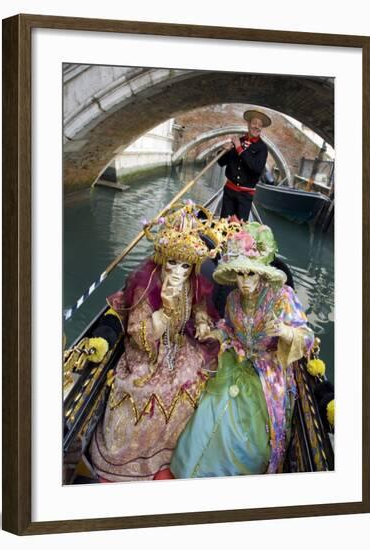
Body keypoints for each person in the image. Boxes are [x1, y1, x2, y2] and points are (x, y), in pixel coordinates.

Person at [87, 203, 223, 482]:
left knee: (197, 378)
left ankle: (175, 450)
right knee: (146, 392)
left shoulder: (192, 282)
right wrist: (165, 312)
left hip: (177, 346)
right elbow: (138, 334)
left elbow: (198, 306)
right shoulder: (145, 283)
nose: (178, 271)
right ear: (162, 258)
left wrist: (200, 322)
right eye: (172, 263)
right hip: (146, 355)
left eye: (185, 265)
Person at [170, 222, 314, 478]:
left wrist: (285, 331)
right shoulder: (233, 298)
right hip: (234, 360)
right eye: (240, 274)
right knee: (209, 406)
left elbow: (307, 337)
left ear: (262, 274)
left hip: (267, 374)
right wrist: (214, 332)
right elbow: (228, 328)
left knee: (247, 432)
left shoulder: (282, 296)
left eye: (251, 274)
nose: (244, 282)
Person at [218, 110, 271, 221]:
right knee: (223, 226)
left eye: (260, 125)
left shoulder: (262, 148)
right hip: (229, 192)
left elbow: (256, 169)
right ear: (248, 124)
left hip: (245, 196)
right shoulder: (239, 141)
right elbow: (221, 162)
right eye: (254, 123)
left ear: (261, 129)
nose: (256, 127)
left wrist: (239, 149)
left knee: (239, 233)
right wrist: (224, 150)